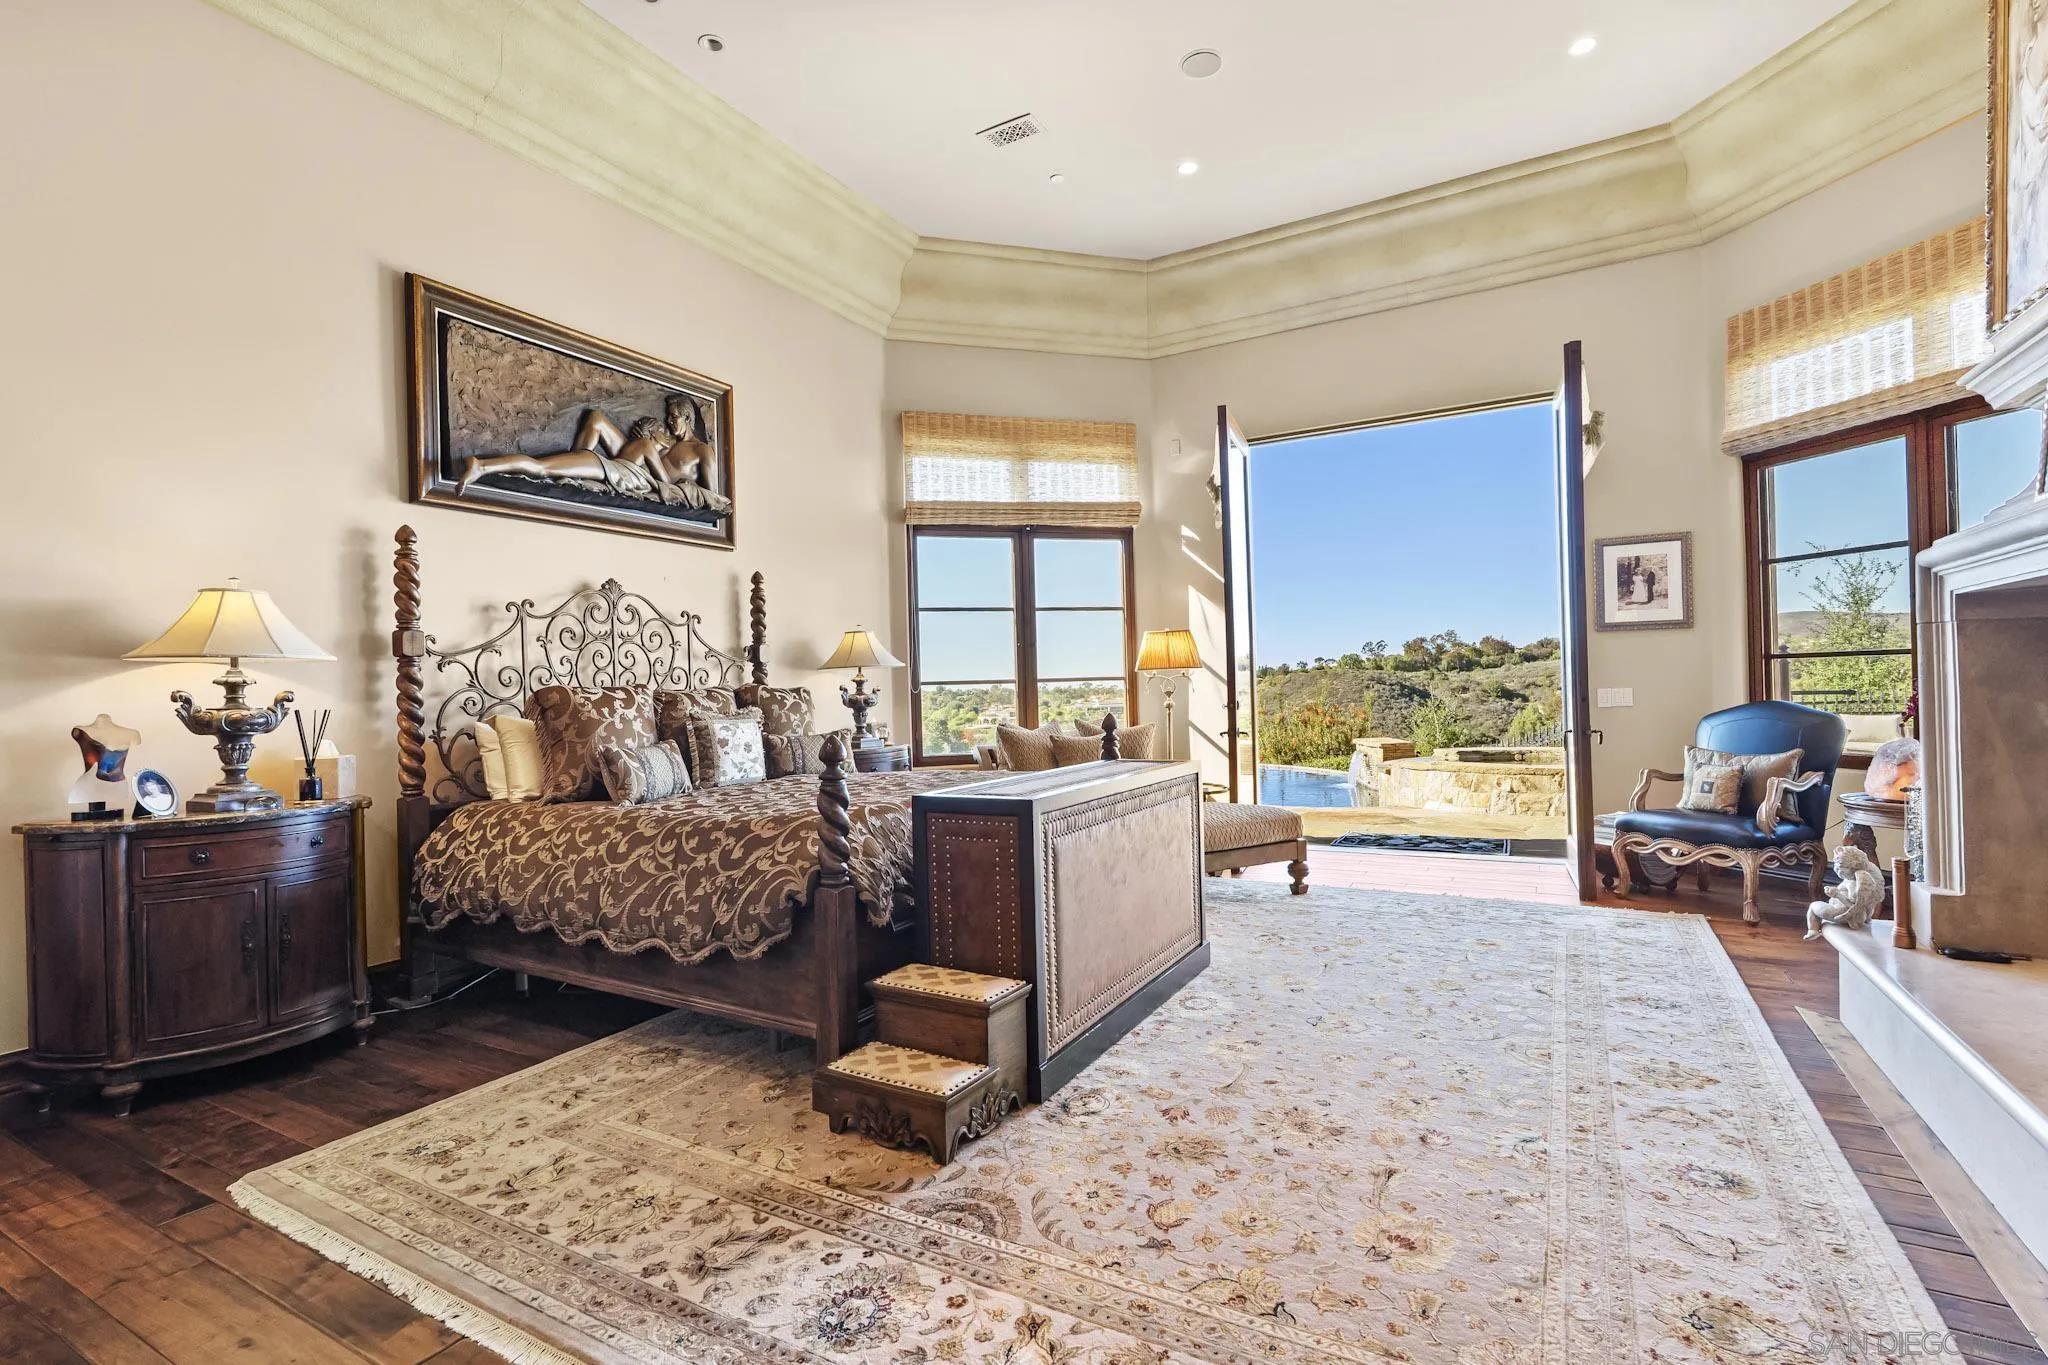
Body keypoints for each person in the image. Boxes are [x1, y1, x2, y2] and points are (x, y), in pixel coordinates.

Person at [457, 393, 729, 513]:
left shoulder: (703, 450)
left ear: (688, 418)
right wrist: (649, 438)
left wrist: (672, 486)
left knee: (541, 467)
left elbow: (713, 499)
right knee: (595, 419)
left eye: (674, 418)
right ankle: (481, 466)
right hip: (623, 469)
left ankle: (482, 466)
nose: (670, 423)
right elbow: (648, 449)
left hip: (631, 475)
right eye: (668, 418)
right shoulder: (666, 442)